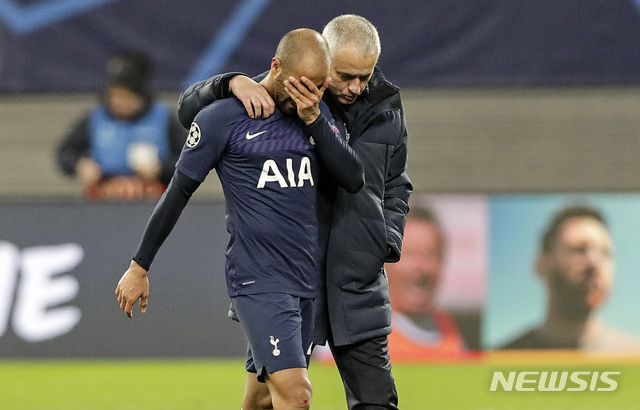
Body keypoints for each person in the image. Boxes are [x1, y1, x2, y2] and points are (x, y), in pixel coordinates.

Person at [115, 28, 364, 410]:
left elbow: (353, 177)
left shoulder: (314, 111)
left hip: (305, 279)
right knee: (297, 395)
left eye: (316, 87)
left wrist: (315, 117)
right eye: (299, 85)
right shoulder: (224, 119)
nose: (305, 94)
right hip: (259, 279)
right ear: (276, 67)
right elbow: (177, 193)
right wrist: (139, 266)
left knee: (262, 400)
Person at [178, 14, 412, 409]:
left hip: (357, 281)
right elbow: (189, 113)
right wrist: (228, 81)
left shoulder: (387, 107)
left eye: (364, 77)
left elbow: (396, 184)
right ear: (323, 57)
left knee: (377, 402)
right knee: (267, 400)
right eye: (344, 75)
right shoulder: (286, 96)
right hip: (290, 277)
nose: (355, 87)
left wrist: (385, 240)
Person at [501, 205, 640, 350]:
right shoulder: (500, 362)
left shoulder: (635, 358)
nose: (595, 262)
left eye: (606, 253)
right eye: (580, 250)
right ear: (541, 265)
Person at [57, 50, 185, 200]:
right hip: (104, 199)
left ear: (140, 95)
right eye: (113, 95)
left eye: (125, 96)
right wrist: (80, 165)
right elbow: (65, 152)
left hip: (152, 200)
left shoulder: (162, 118)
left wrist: (161, 168)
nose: (118, 102)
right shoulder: (96, 118)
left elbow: (188, 159)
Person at [385, 206, 466, 361]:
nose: (421, 267)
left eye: (431, 255)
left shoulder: (449, 329)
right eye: (409, 254)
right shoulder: (365, 338)